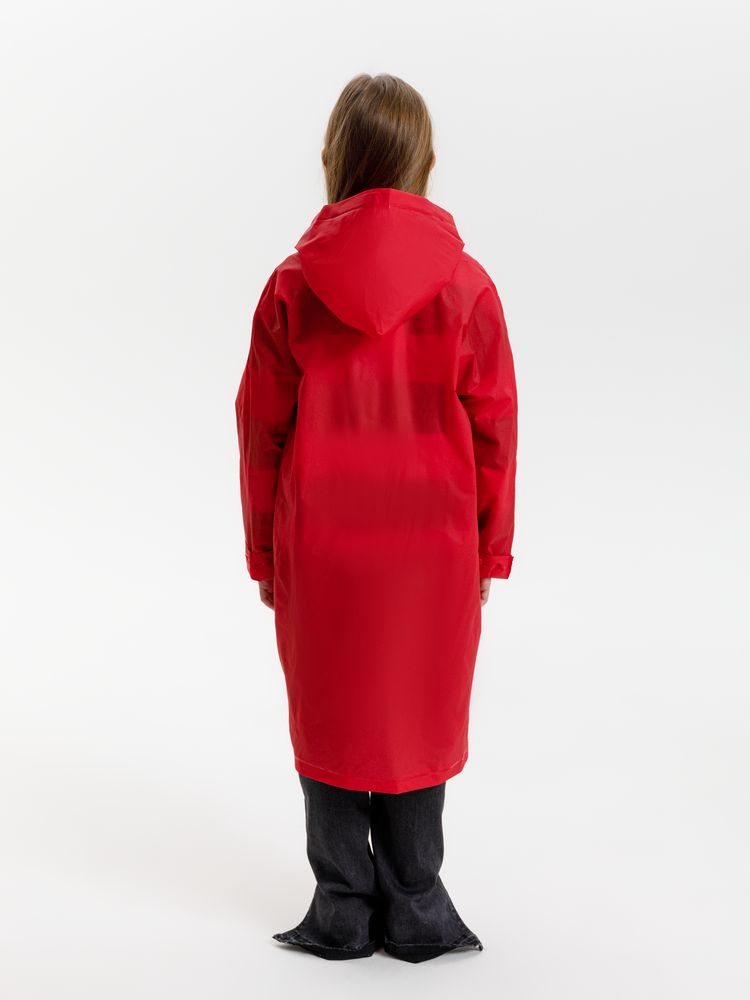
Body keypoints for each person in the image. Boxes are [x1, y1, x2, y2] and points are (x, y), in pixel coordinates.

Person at [235, 73, 518, 962]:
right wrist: (490, 551)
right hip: (435, 549)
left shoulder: (292, 288)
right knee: (416, 715)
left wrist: (264, 552)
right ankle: (417, 901)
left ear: (334, 159)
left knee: (330, 716)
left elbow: (260, 429)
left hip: (321, 545)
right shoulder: (466, 288)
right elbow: (496, 429)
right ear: (425, 162)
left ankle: (342, 905)